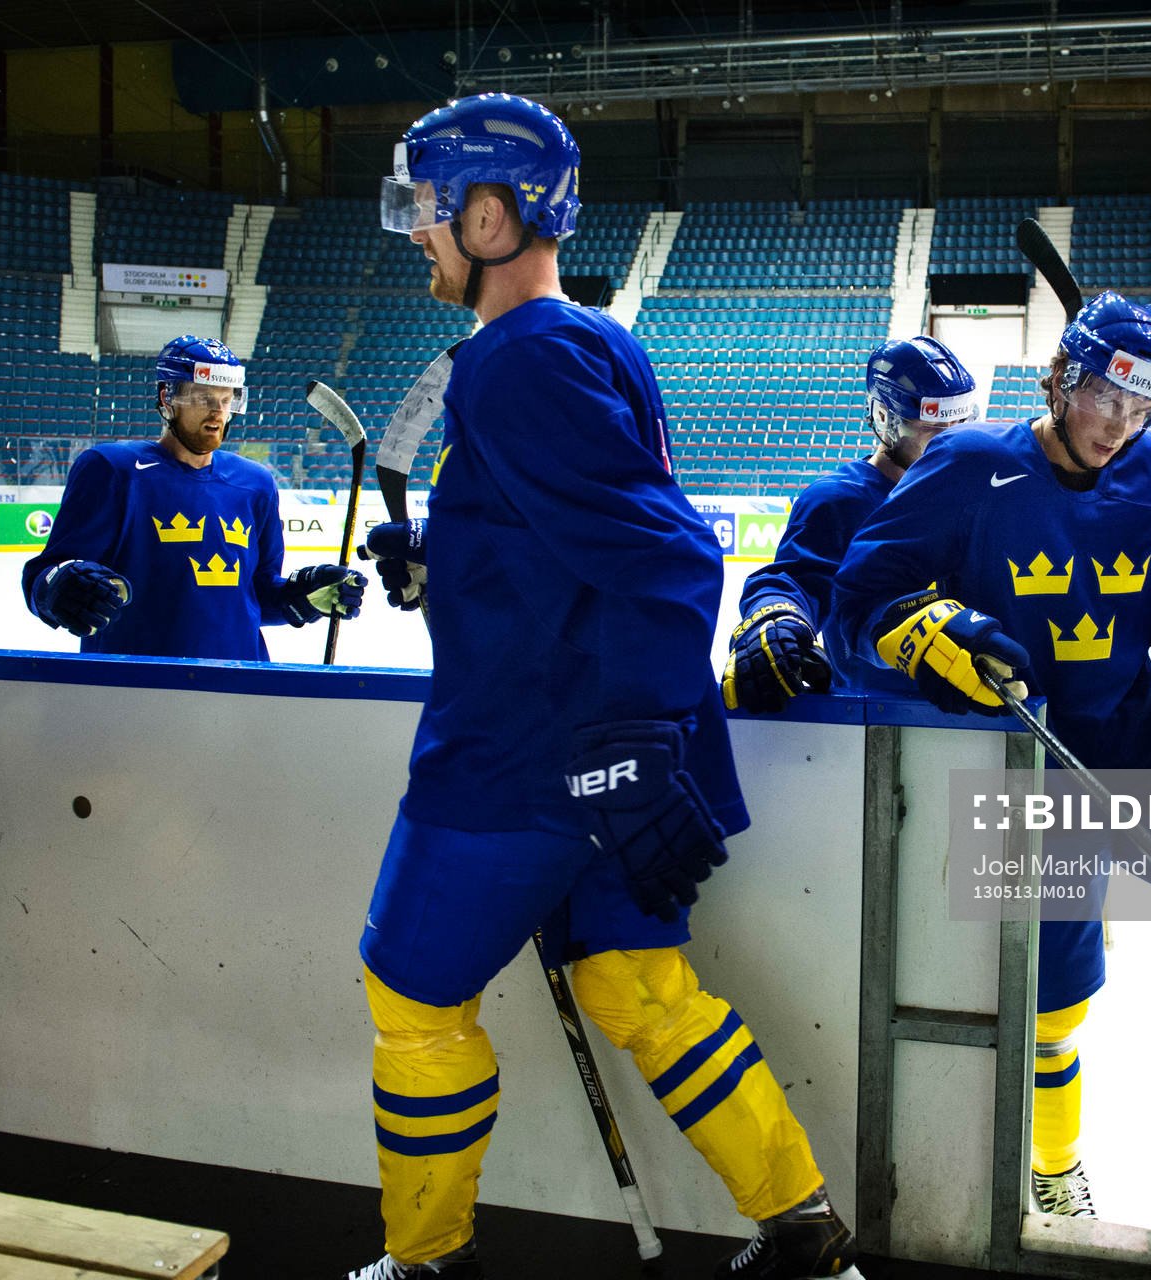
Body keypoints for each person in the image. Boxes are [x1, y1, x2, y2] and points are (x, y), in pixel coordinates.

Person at [350, 94, 861, 1280]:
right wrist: (448, 557)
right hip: (608, 756)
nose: (417, 233)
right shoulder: (595, 338)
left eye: (428, 211)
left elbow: (668, 556)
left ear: (486, 216)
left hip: (526, 761)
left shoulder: (513, 356)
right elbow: (574, 537)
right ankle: (805, 1237)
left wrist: (622, 737)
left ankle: (427, 1261)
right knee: (640, 988)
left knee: (412, 998)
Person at [829, 291, 1151, 1257]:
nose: (1120, 425)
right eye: (1105, 396)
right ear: (1060, 376)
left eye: (1143, 407)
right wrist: (919, 632)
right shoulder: (967, 467)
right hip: (1021, 761)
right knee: (1051, 1002)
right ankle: (1050, 1167)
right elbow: (857, 607)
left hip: (1139, 736)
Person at [21, 335, 363, 658]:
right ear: (167, 398)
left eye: (226, 400)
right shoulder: (113, 470)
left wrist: (302, 596)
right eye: (203, 398)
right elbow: (44, 576)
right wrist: (56, 586)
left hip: (242, 683)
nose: (217, 413)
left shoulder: (255, 483)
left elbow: (254, 595)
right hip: (132, 687)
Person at [722, 335, 979, 712]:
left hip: (980, 710)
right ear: (883, 419)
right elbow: (795, 578)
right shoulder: (839, 500)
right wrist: (774, 616)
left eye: (961, 425)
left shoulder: (974, 490)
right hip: (874, 719)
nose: (952, 442)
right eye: (936, 430)